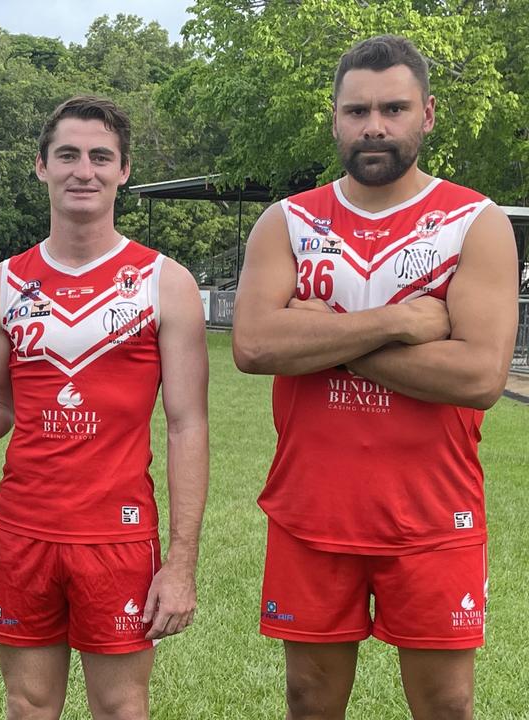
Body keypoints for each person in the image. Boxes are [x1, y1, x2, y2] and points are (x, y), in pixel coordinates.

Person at [233, 35, 518, 720]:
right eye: (356, 110)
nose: (374, 126)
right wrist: (400, 323)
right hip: (312, 509)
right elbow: (254, 343)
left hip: (433, 514)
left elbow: (478, 374)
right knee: (309, 699)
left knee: (446, 704)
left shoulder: (474, 223)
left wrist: (320, 334)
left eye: (393, 108)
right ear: (334, 118)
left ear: (428, 114)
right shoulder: (288, 222)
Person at [0, 96, 209, 720]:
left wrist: (181, 562)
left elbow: (187, 425)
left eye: (101, 157)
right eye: (67, 155)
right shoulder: (0, 286)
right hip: (24, 529)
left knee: (122, 705)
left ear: (124, 171)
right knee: (27, 704)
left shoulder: (164, 282)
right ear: (41, 166)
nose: (84, 170)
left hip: (117, 533)